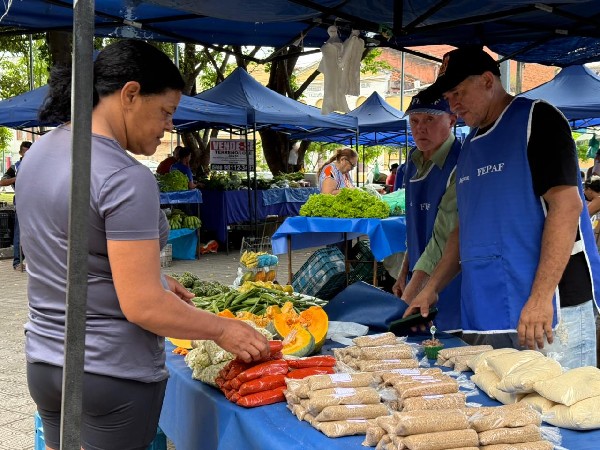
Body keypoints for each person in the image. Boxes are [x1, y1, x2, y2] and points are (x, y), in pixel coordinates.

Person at [16, 40, 269, 450]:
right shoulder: (125, 176)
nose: (169, 126)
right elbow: (144, 306)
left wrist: (155, 280)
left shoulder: (40, 153)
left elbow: (69, 256)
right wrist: (223, 329)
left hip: (45, 362)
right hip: (110, 373)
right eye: (166, 111)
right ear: (130, 94)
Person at [407, 47, 600, 369]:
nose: (453, 104)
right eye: (449, 96)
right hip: (489, 309)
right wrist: (432, 288)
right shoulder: (470, 145)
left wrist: (540, 298)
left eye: (458, 93)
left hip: (550, 305)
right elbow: (463, 228)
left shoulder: (537, 119)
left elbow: (566, 207)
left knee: (559, 397)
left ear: (487, 80)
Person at [391, 91, 462, 333]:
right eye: (414, 121)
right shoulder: (411, 163)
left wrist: (404, 303)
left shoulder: (460, 164)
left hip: (448, 283)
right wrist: (403, 273)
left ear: (451, 120)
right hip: (418, 280)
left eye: (430, 119)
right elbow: (415, 226)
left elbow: (442, 240)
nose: (420, 128)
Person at [0, 140, 31, 270]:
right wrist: (17, 179)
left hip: (37, 203)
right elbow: (2, 182)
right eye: (26, 152)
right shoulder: (15, 167)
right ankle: (17, 262)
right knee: (19, 232)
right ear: (20, 153)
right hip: (21, 202)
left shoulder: (37, 165)